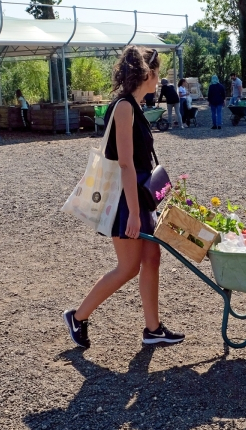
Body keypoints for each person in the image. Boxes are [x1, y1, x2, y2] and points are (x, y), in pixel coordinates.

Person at [63, 46, 185, 349]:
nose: (160, 80)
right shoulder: (125, 108)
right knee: (129, 267)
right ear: (148, 74)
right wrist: (132, 212)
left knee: (152, 259)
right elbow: (126, 164)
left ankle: (153, 329)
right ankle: (77, 317)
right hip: (126, 198)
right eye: (158, 74)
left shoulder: (135, 106)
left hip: (139, 196)